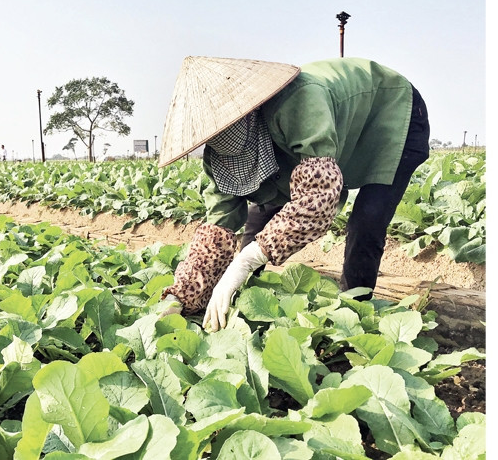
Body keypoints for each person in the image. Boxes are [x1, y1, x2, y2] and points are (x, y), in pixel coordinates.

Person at [157, 56, 430, 332]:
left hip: (393, 113)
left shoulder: (298, 102)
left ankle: (353, 317)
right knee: (260, 216)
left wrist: (246, 261)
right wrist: (181, 295)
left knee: (367, 220)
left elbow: (317, 199)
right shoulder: (218, 154)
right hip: (336, 133)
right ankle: (241, 304)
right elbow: (218, 225)